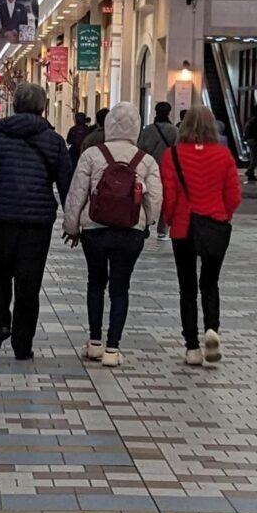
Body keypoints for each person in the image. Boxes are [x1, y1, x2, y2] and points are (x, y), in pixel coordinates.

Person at [62, 101, 163, 368]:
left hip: (94, 229)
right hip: (130, 232)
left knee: (95, 284)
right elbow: (154, 198)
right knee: (120, 288)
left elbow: (77, 193)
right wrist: (147, 222)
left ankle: (94, 342)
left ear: (108, 126)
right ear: (136, 127)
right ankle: (113, 348)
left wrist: (71, 226)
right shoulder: (146, 160)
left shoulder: (92, 155)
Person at [0, 82, 72, 359]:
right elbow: (66, 182)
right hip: (37, 223)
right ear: (43, 107)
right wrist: (72, 219)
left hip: (1, 219)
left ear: (15, 105)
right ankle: (22, 344)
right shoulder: (54, 141)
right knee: (29, 284)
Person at [160, 101, 241, 368]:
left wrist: (170, 220)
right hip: (215, 226)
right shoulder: (224, 156)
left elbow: (170, 196)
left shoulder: (172, 156)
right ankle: (212, 329)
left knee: (187, 287)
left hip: (183, 228)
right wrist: (223, 215)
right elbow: (234, 196)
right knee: (210, 282)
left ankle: (192, 348)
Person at [138, 98, 175, 165]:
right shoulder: (175, 131)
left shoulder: (147, 130)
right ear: (168, 113)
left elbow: (140, 149)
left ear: (156, 112)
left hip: (149, 164)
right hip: (167, 165)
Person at [242, 102, 257, 182]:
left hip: (249, 139)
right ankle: (250, 171)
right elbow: (256, 131)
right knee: (255, 157)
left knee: (253, 157)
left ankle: (250, 172)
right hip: (253, 140)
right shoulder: (256, 119)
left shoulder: (250, 119)